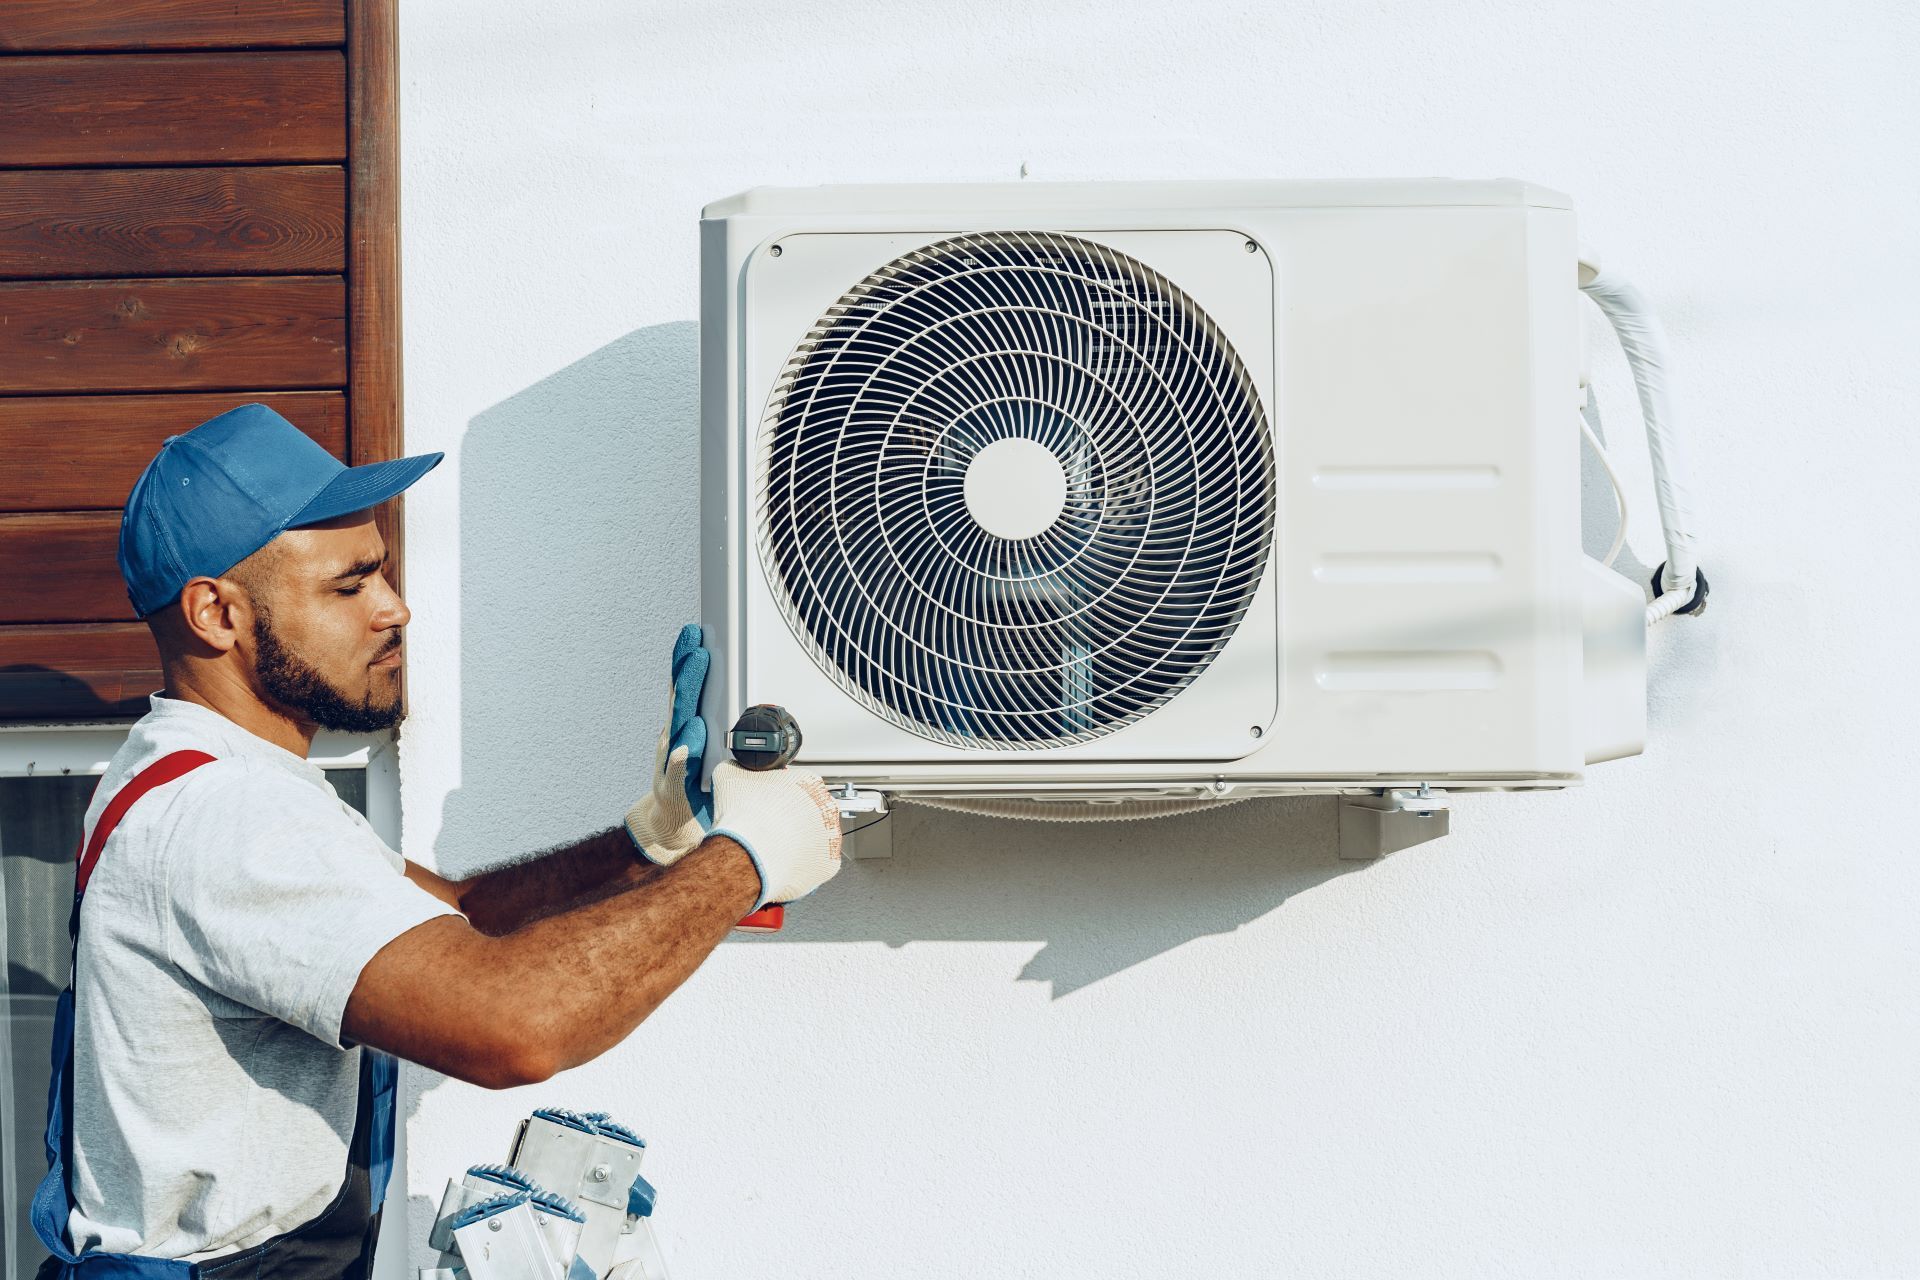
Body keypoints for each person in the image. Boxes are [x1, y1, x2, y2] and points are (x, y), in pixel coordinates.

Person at [31, 403, 843, 1278]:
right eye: (349, 586)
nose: (396, 609)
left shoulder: (205, 773)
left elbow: (456, 920)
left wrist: (652, 844)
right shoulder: (228, 815)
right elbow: (514, 1028)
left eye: (382, 574)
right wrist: (744, 864)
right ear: (215, 615)